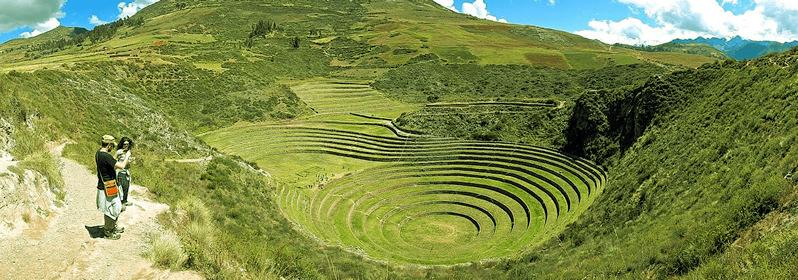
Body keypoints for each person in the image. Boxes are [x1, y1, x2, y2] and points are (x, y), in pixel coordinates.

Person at [96, 135, 131, 240]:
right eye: (112, 146)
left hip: (106, 185)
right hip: (109, 186)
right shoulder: (106, 156)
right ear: (109, 145)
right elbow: (121, 166)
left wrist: (116, 155)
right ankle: (108, 231)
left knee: (113, 207)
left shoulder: (99, 153)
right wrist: (127, 156)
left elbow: (110, 164)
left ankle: (112, 227)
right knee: (112, 209)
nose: (112, 148)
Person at [116, 137, 135, 206]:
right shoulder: (119, 151)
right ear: (122, 144)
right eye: (124, 144)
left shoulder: (128, 152)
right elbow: (115, 160)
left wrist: (130, 161)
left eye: (127, 144)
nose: (126, 146)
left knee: (126, 186)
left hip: (126, 171)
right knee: (121, 187)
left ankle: (124, 201)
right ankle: (121, 203)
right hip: (120, 172)